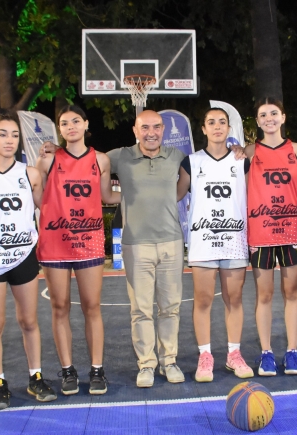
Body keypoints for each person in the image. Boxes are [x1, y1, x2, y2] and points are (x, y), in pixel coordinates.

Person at [0, 113, 56, 409]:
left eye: (15, 135)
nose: (9, 140)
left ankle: (35, 377)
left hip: (23, 256)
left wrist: (49, 167)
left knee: (29, 321)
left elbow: (48, 207)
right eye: (2, 134)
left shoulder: (30, 174)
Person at [36, 105, 119, 395]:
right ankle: (68, 370)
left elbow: (107, 196)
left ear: (86, 124)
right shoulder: (47, 161)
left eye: (75, 121)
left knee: (91, 306)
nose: (70, 126)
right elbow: (37, 198)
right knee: (59, 307)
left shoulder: (100, 159)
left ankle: (97, 370)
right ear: (59, 129)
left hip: (89, 241)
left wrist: (144, 194)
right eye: (64, 123)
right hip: (55, 242)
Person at [106, 110, 187, 388]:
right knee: (141, 309)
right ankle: (146, 364)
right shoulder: (121, 156)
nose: (151, 133)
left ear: (163, 129)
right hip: (136, 244)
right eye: (145, 128)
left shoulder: (176, 156)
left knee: (170, 307)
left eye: (156, 127)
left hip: (171, 242)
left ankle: (169, 361)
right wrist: (55, 149)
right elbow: (88, 159)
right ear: (135, 130)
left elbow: (183, 187)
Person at [176, 108, 253, 382]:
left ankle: (234, 353)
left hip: (234, 239)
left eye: (222, 122)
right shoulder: (192, 162)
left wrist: (245, 148)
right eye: (211, 122)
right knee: (203, 299)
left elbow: (252, 195)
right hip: (203, 240)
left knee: (234, 298)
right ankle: (205, 356)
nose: (217, 126)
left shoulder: (242, 161)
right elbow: (175, 194)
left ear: (229, 128)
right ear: (204, 129)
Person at [243, 98, 297, 376]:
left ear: (283, 117)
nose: (268, 118)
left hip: (291, 228)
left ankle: (292, 352)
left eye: (273, 113)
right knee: (264, 294)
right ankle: (266, 353)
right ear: (257, 121)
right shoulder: (249, 152)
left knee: (291, 292)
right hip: (261, 230)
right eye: (263, 115)